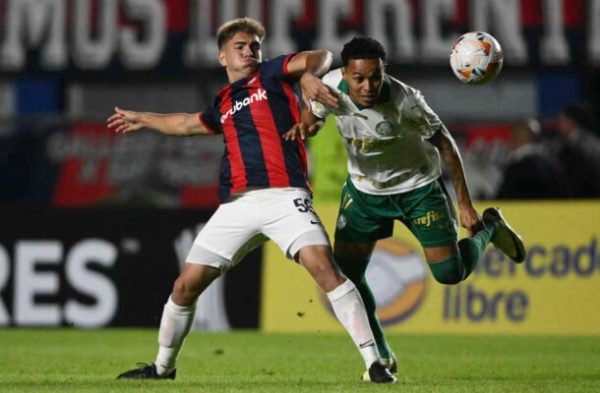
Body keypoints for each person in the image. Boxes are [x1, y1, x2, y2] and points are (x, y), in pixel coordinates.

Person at [107, 19, 395, 383]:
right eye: (241, 46)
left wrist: (307, 75)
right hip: (237, 205)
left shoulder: (274, 74)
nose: (250, 52)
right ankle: (162, 368)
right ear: (222, 55)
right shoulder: (222, 102)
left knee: (324, 268)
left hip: (285, 195)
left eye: (255, 46)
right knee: (184, 286)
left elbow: (322, 56)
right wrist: (143, 119)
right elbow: (184, 124)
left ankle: (374, 363)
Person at [285, 36, 526, 379]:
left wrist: (465, 204)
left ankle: (490, 228)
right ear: (346, 74)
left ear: (384, 73)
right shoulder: (329, 86)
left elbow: (444, 142)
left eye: (375, 77)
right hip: (365, 194)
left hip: (417, 190)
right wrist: (311, 121)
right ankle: (380, 352)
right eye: (360, 79)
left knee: (449, 274)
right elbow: (316, 111)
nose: (368, 86)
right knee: (347, 277)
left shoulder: (406, 100)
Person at [496, 119, 567, 199]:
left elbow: (504, 196)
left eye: (513, 136)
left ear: (518, 138)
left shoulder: (518, 167)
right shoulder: (551, 162)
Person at [555, 103, 600, 198]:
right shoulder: (592, 141)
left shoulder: (581, 146)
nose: (559, 124)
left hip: (587, 198)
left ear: (571, 122)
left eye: (562, 120)